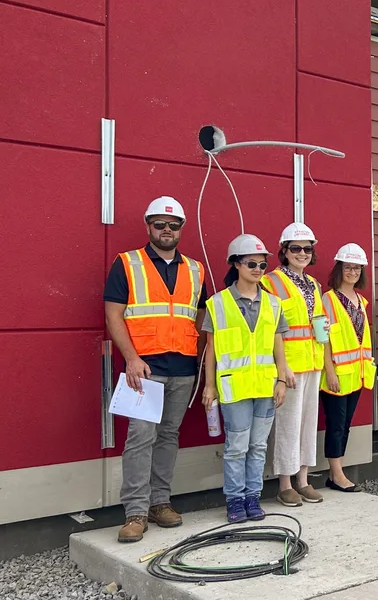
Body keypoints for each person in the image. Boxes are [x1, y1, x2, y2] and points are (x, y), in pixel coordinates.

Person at [104, 196, 206, 543]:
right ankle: (135, 510)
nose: (166, 230)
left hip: (183, 366)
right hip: (144, 367)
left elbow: (201, 315)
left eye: (173, 225)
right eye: (159, 224)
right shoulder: (127, 263)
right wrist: (131, 358)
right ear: (148, 226)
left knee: (168, 436)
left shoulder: (195, 269)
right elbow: (113, 314)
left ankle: (160, 502)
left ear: (181, 229)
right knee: (140, 438)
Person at [201, 235, 291, 522]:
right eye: (251, 263)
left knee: (258, 446)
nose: (258, 269)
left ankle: (253, 498)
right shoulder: (217, 304)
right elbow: (211, 349)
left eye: (262, 264)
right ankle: (235, 500)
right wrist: (209, 385)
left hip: (265, 386)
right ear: (236, 265)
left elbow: (278, 345)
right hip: (234, 388)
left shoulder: (274, 304)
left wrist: (281, 380)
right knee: (237, 447)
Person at [263, 223, 326, 507]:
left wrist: (325, 362)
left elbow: (320, 326)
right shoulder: (270, 282)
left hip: (312, 363)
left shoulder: (313, 284)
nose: (302, 253)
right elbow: (269, 330)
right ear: (284, 252)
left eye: (307, 249)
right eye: (296, 248)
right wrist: (281, 367)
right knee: (287, 425)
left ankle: (304, 479)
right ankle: (285, 484)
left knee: (307, 425)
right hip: (288, 366)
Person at [319, 243, 376, 492]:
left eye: (356, 267)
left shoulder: (361, 301)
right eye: (348, 267)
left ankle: (336, 473)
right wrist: (329, 370)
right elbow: (324, 339)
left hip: (357, 374)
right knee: (336, 424)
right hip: (336, 374)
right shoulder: (328, 299)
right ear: (339, 269)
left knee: (346, 424)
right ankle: (337, 474)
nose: (352, 271)